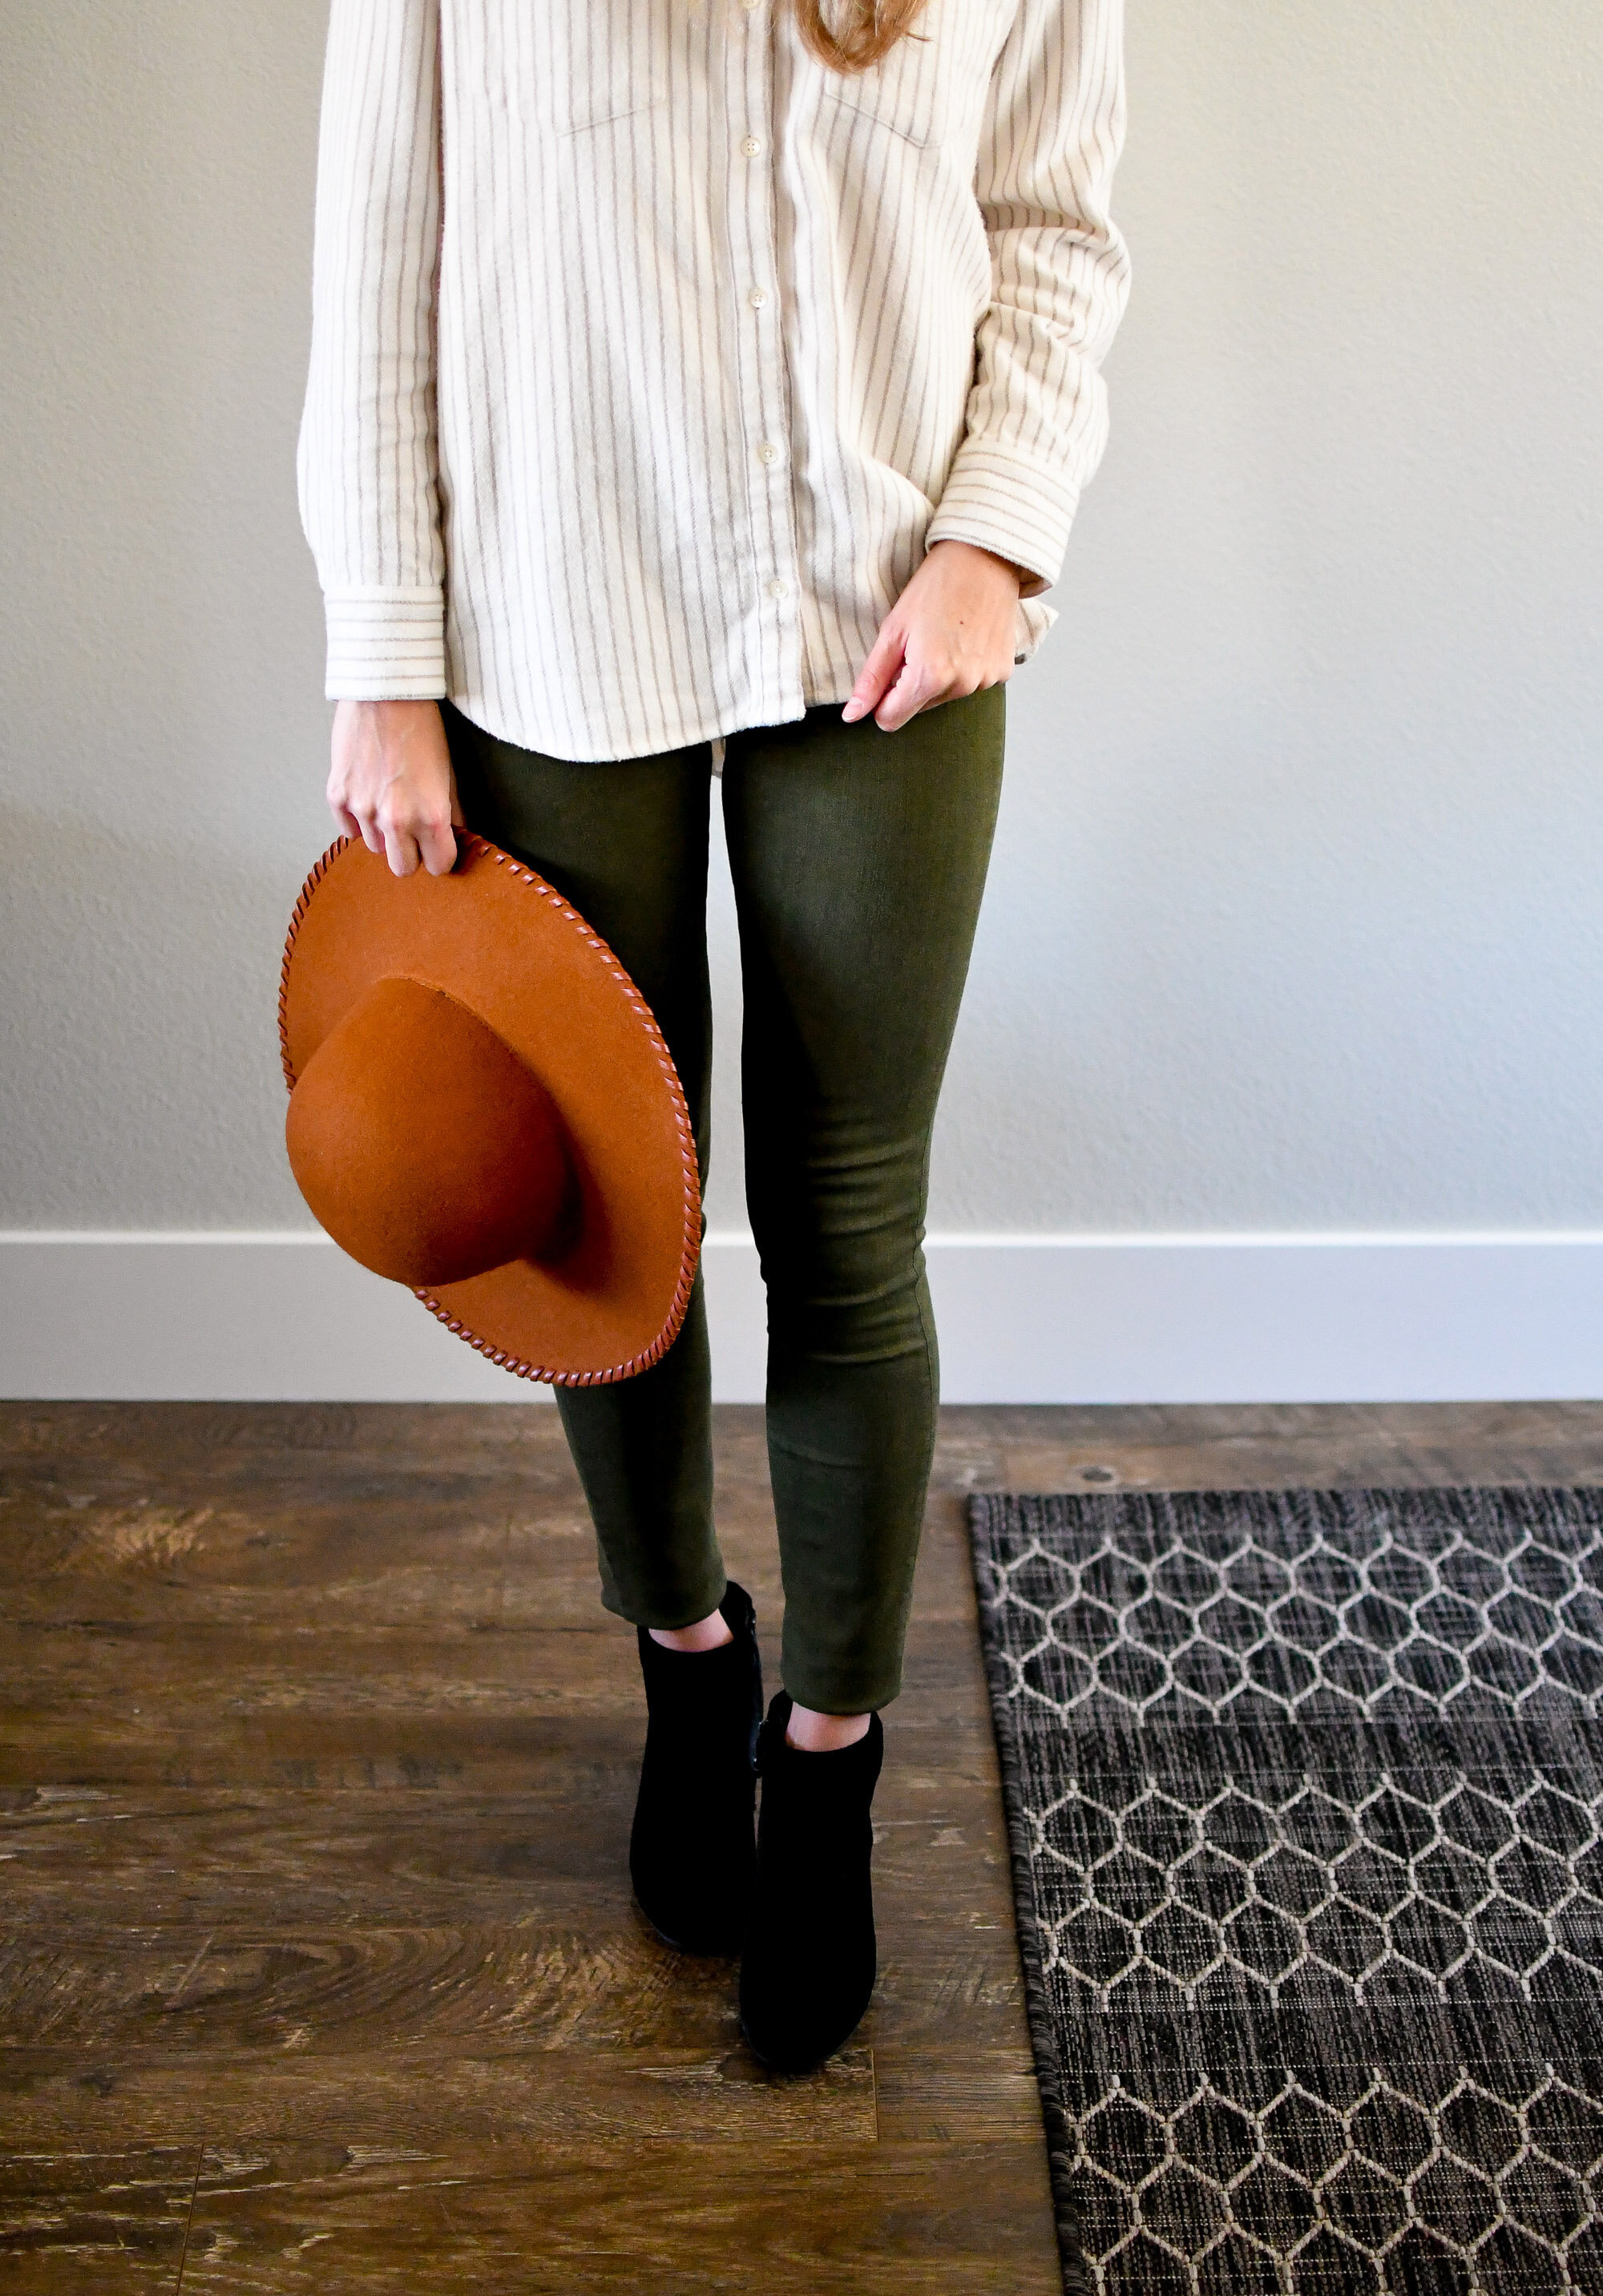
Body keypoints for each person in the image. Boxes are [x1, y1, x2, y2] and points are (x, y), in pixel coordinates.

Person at [297, 0, 1128, 2073]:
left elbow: (1052, 216)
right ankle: (685, 1660)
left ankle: (826, 1760)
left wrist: (995, 534)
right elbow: (376, 244)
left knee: (849, 1220)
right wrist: (382, 652)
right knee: (607, 1227)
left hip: (884, 616)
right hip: (551, 612)